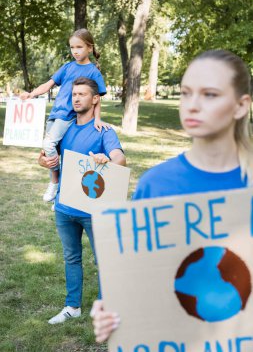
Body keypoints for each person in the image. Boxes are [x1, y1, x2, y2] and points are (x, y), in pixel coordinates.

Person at [90, 49, 253, 343]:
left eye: (210, 95)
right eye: (186, 93)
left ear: (241, 106)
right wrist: (112, 315)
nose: (192, 105)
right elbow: (136, 277)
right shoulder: (157, 184)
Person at [38, 77, 126, 325]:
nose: (76, 98)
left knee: (104, 259)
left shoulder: (104, 131)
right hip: (64, 208)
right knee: (71, 258)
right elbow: (44, 156)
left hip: (94, 209)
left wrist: (107, 159)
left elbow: (120, 159)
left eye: (82, 94)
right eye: (74, 94)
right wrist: (44, 161)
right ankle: (72, 306)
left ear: (95, 99)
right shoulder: (63, 129)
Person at [21, 28, 107, 203]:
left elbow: (97, 99)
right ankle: (59, 195)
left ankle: (55, 182)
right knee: (48, 150)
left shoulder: (93, 72)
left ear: (89, 48)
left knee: (49, 143)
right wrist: (32, 94)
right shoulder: (67, 67)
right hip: (54, 114)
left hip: (67, 116)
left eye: (79, 47)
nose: (75, 51)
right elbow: (49, 84)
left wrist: (97, 118)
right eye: (72, 47)